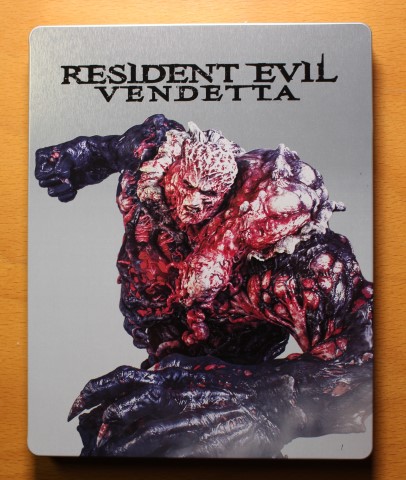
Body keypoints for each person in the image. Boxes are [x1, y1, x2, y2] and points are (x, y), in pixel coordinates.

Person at [35, 114, 373, 457]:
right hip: (169, 365)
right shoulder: (155, 156)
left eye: (208, 194)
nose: (193, 202)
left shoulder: (292, 258)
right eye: (187, 186)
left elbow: (366, 351)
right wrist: (79, 157)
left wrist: (265, 401)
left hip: (229, 388)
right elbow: (112, 150)